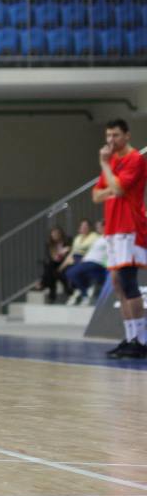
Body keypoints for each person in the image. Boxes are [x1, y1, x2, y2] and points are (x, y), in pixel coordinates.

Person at [94, 119, 147, 359]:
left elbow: (117, 189)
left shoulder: (135, 159)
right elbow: (96, 195)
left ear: (127, 136)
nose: (110, 140)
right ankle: (130, 337)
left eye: (115, 135)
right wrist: (110, 184)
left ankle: (142, 341)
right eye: (108, 135)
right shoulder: (113, 162)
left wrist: (105, 166)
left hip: (129, 228)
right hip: (113, 229)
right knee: (117, 284)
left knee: (128, 282)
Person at [66, 221, 109, 306]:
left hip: (96, 262)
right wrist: (84, 258)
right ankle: (86, 291)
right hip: (88, 261)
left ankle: (85, 293)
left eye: (99, 227)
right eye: (97, 227)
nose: (97, 229)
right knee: (70, 272)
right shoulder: (100, 238)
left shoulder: (108, 238)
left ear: (105, 227)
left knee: (71, 273)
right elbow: (92, 251)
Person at [60, 219, 99, 306]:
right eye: (82, 226)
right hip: (75, 259)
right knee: (63, 271)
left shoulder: (94, 237)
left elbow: (94, 250)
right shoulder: (77, 238)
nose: (84, 228)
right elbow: (73, 252)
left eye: (86, 226)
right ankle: (80, 290)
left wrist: (84, 258)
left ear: (90, 227)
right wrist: (62, 266)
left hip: (88, 259)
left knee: (72, 272)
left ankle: (83, 293)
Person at [39, 226, 71, 304]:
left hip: (65, 263)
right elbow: (51, 257)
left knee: (50, 270)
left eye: (56, 234)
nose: (55, 235)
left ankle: (44, 284)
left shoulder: (67, 242)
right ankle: (67, 290)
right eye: (53, 234)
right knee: (52, 270)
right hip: (54, 264)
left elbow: (68, 253)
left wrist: (61, 254)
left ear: (60, 234)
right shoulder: (49, 244)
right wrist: (58, 255)